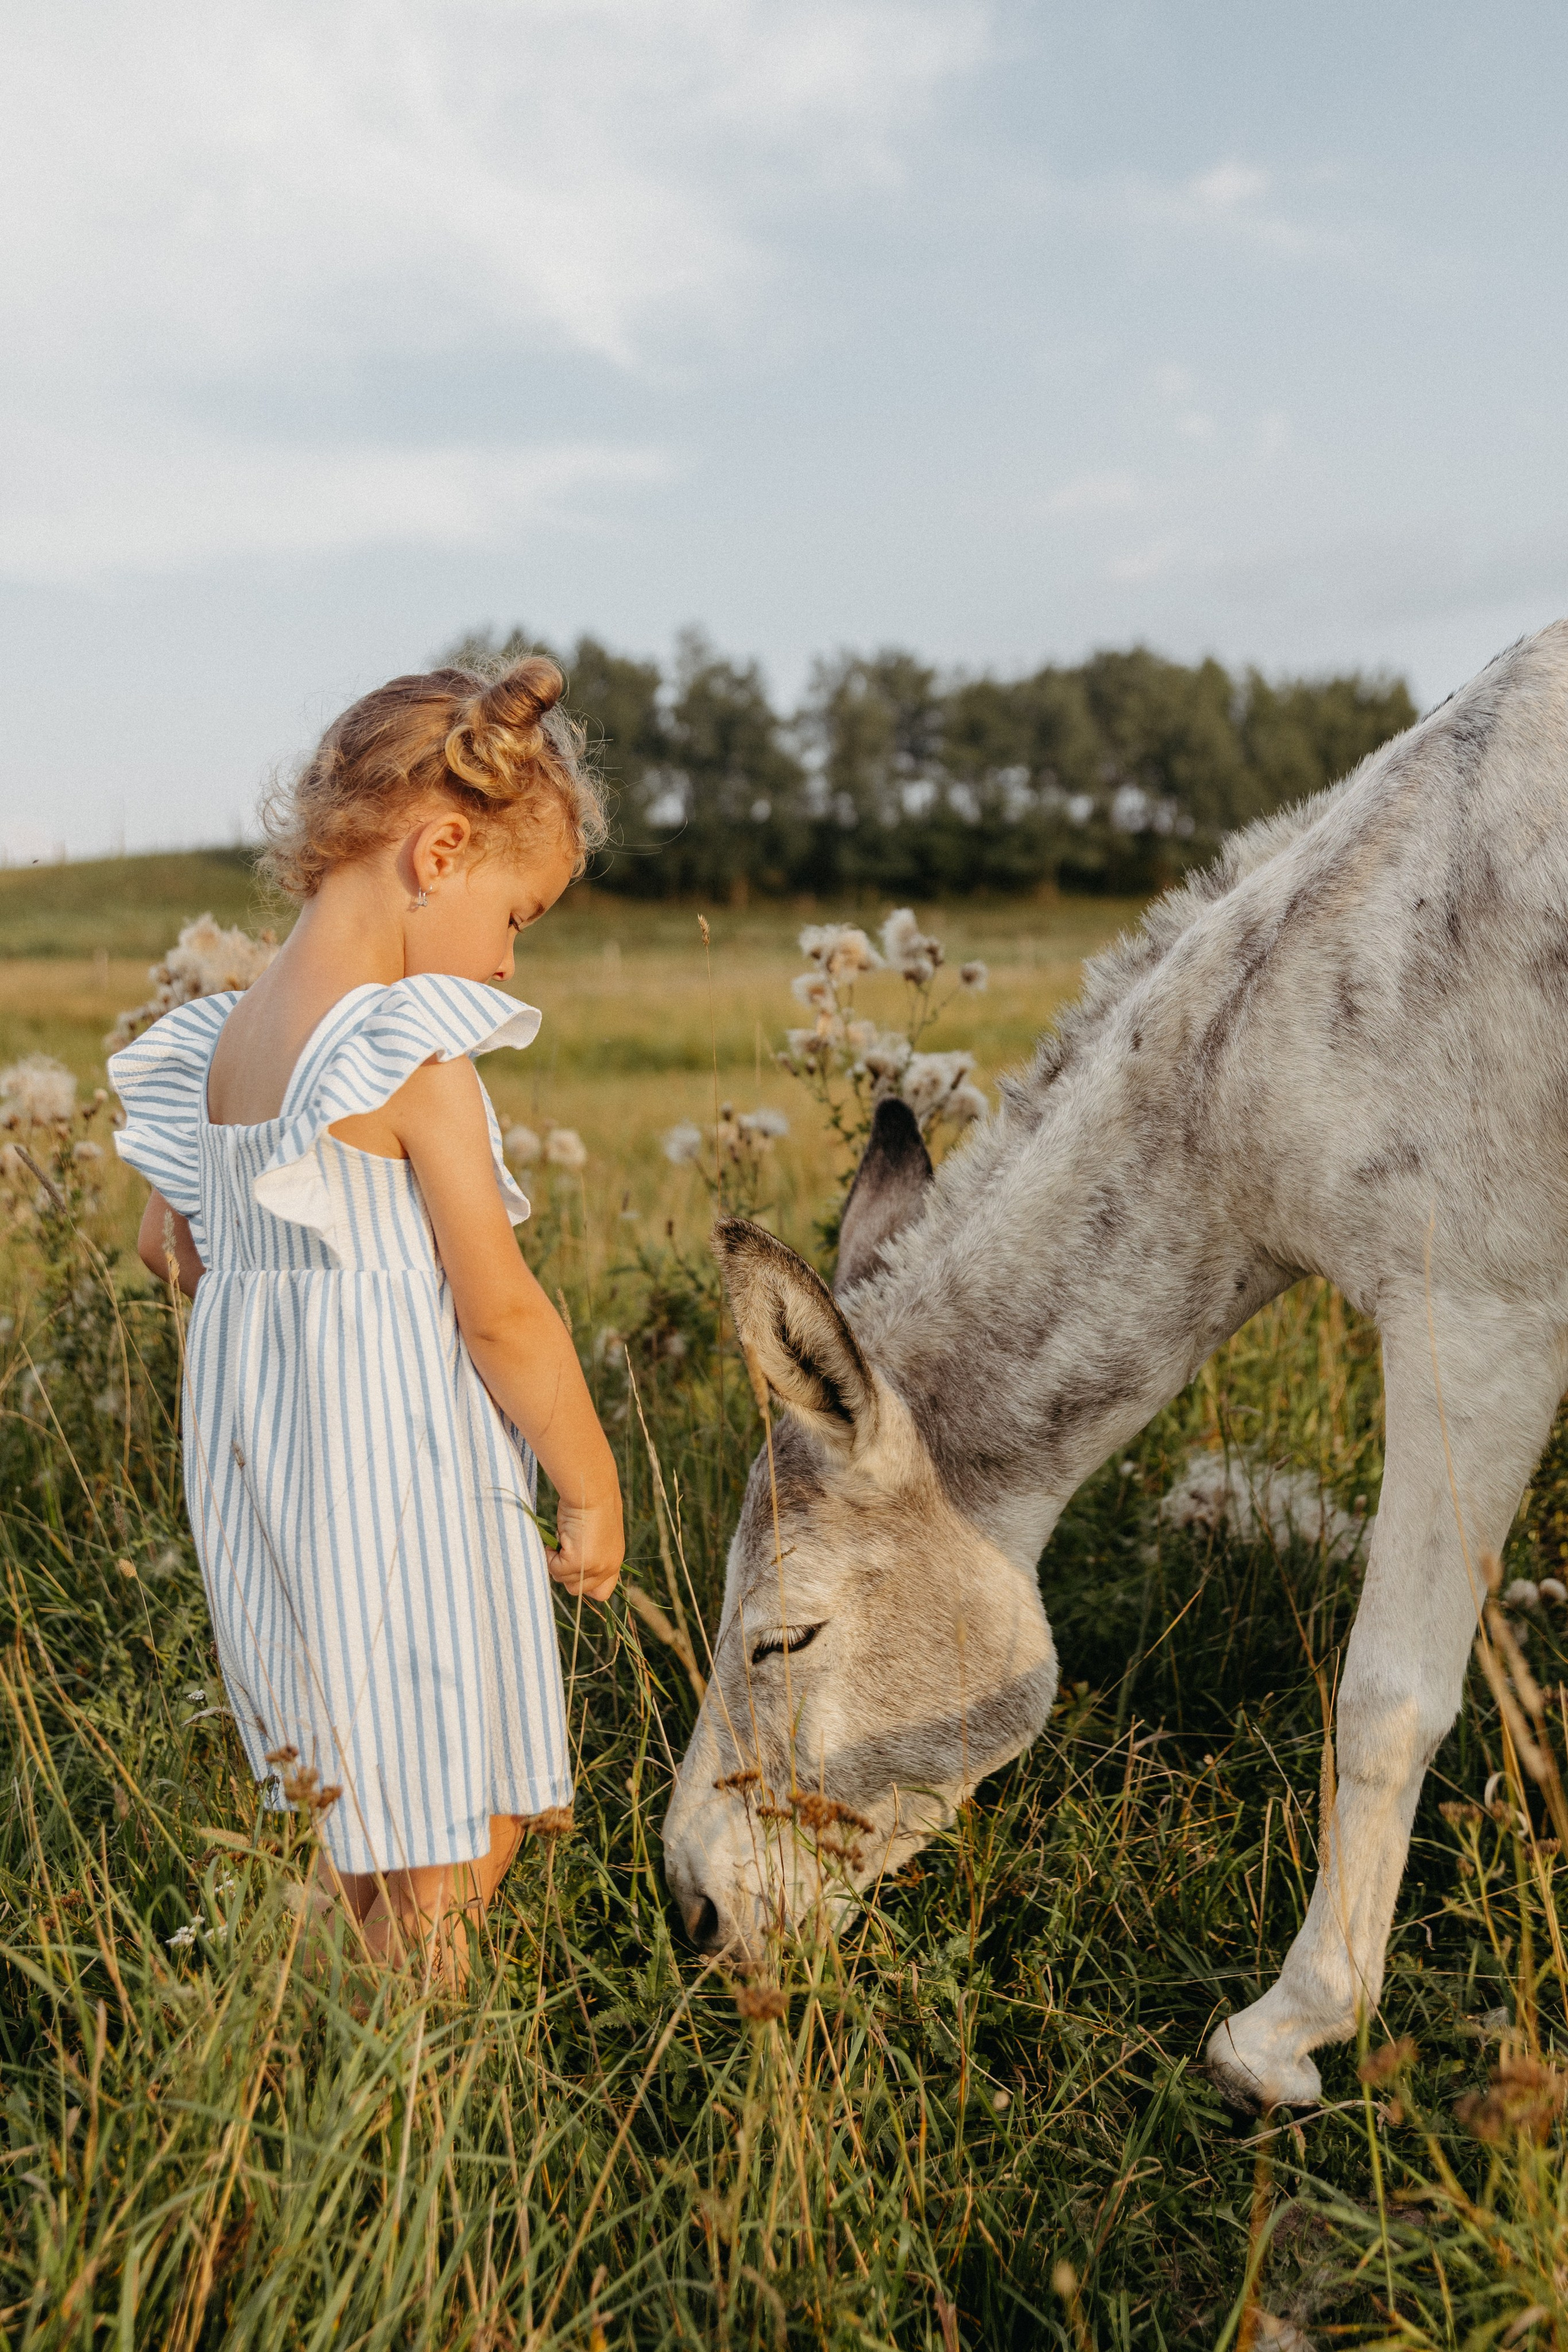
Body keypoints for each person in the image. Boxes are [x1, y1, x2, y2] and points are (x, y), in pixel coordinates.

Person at [109, 655, 624, 1980]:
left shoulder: (219, 1044)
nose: (508, 956)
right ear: (441, 850)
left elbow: (174, 1250)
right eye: (518, 917)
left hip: (270, 1481)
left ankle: (275, 2023)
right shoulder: (405, 1058)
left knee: (370, 1818)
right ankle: (403, 2101)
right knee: (467, 1821)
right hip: (403, 1486)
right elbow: (501, 1311)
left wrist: (291, 1307)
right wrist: (588, 1482)